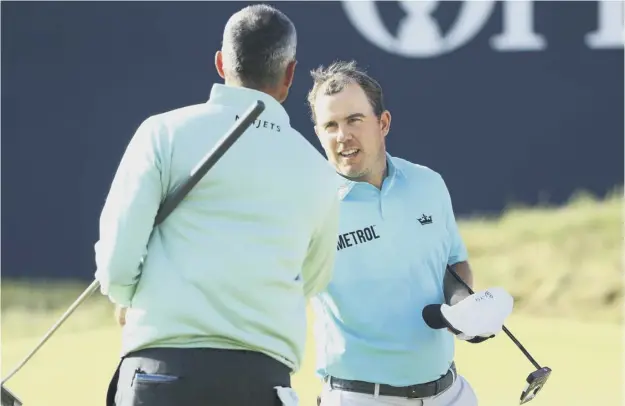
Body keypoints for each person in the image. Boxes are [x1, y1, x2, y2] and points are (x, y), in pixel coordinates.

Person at [94, 5, 340, 406]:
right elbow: (311, 279)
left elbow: (118, 267)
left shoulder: (162, 133)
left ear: (221, 62)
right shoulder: (319, 171)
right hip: (263, 384)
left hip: (160, 377)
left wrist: (128, 295)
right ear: (290, 75)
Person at [305, 60, 514, 406]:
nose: (342, 136)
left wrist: (462, 308)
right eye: (330, 125)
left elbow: (452, 263)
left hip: (450, 392)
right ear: (318, 134)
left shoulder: (427, 183)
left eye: (354, 120)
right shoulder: (307, 205)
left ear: (383, 123)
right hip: (360, 397)